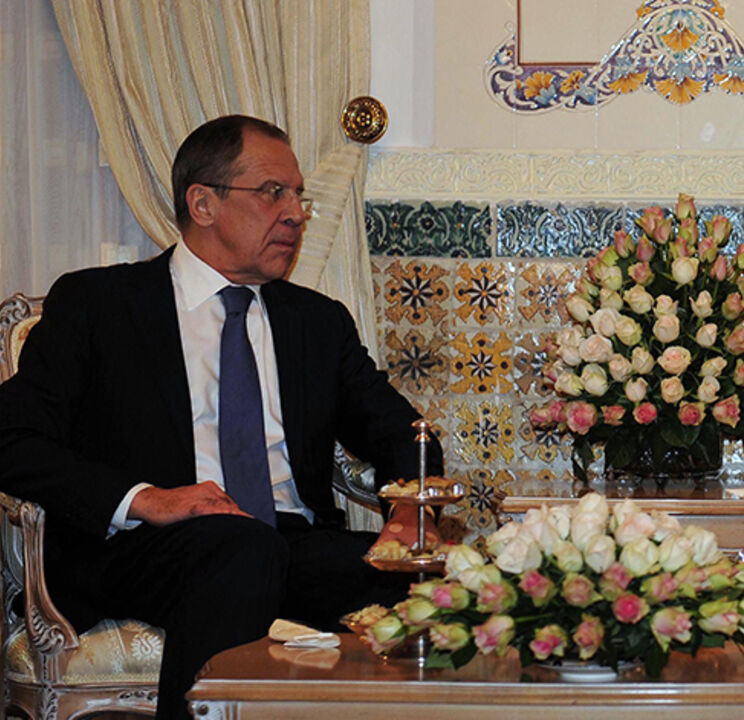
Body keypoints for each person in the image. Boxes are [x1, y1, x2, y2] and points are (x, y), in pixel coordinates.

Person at [0, 115, 442, 720]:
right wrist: (147, 498)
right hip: (147, 548)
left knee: (444, 585)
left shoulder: (316, 322)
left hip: (290, 542)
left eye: (298, 196)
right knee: (237, 551)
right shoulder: (100, 304)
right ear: (202, 203)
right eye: (272, 193)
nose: (294, 213)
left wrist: (408, 515)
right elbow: (12, 438)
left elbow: (405, 434)